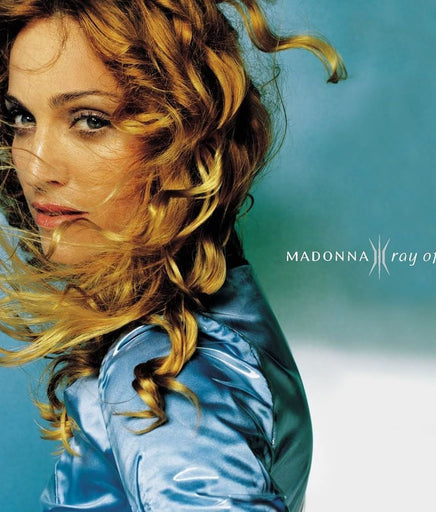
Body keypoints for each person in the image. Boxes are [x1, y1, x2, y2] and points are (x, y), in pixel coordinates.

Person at [0, 0, 345, 510]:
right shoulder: (219, 319)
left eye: (90, 120)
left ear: (184, 137)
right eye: (22, 118)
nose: (36, 168)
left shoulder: (167, 373)